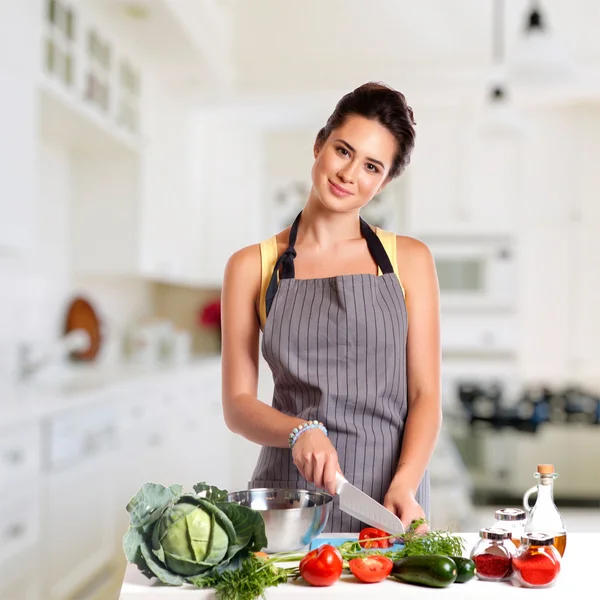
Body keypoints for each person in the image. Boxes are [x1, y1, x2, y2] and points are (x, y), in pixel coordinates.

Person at [221, 82, 441, 533]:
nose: (349, 174)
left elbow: (425, 396)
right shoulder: (251, 266)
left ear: (385, 181)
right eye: (343, 151)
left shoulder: (410, 261)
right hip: (289, 501)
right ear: (320, 144)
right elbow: (238, 405)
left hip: (389, 503)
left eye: (371, 166)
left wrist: (405, 485)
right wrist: (299, 430)